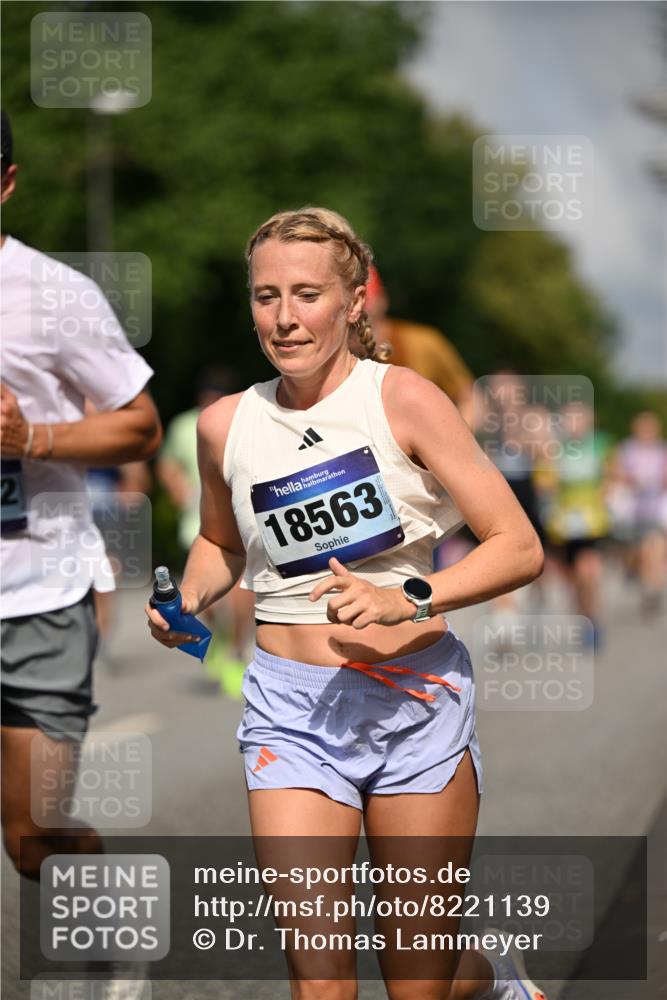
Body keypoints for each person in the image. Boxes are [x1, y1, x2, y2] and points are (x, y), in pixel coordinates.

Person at [145, 207, 546, 1000]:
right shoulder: (227, 424)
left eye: (305, 294)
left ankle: (493, 979)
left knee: (418, 980)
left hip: (415, 705)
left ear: (354, 300)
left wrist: (409, 595)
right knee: (321, 980)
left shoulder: (403, 400)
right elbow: (223, 543)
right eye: (265, 297)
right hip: (290, 716)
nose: (284, 318)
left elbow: (517, 544)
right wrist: (186, 595)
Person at [0, 109, 162, 882]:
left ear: (5, 184)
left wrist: (32, 439)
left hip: (37, 596)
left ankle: (97, 880)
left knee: (33, 838)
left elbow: (139, 426)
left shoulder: (53, 295)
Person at [156, 367, 256, 694]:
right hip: (196, 517)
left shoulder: (242, 419)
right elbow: (167, 464)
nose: (211, 402)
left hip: (241, 518)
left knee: (241, 593)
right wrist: (179, 490)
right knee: (207, 600)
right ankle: (221, 638)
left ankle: (239, 647)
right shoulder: (186, 425)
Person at [609, 411, 667, 615]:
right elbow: (615, 473)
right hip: (632, 511)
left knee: (655, 547)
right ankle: (636, 574)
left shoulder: (662, 451)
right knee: (638, 553)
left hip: (655, 510)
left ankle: (653, 587)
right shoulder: (626, 449)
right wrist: (630, 478)